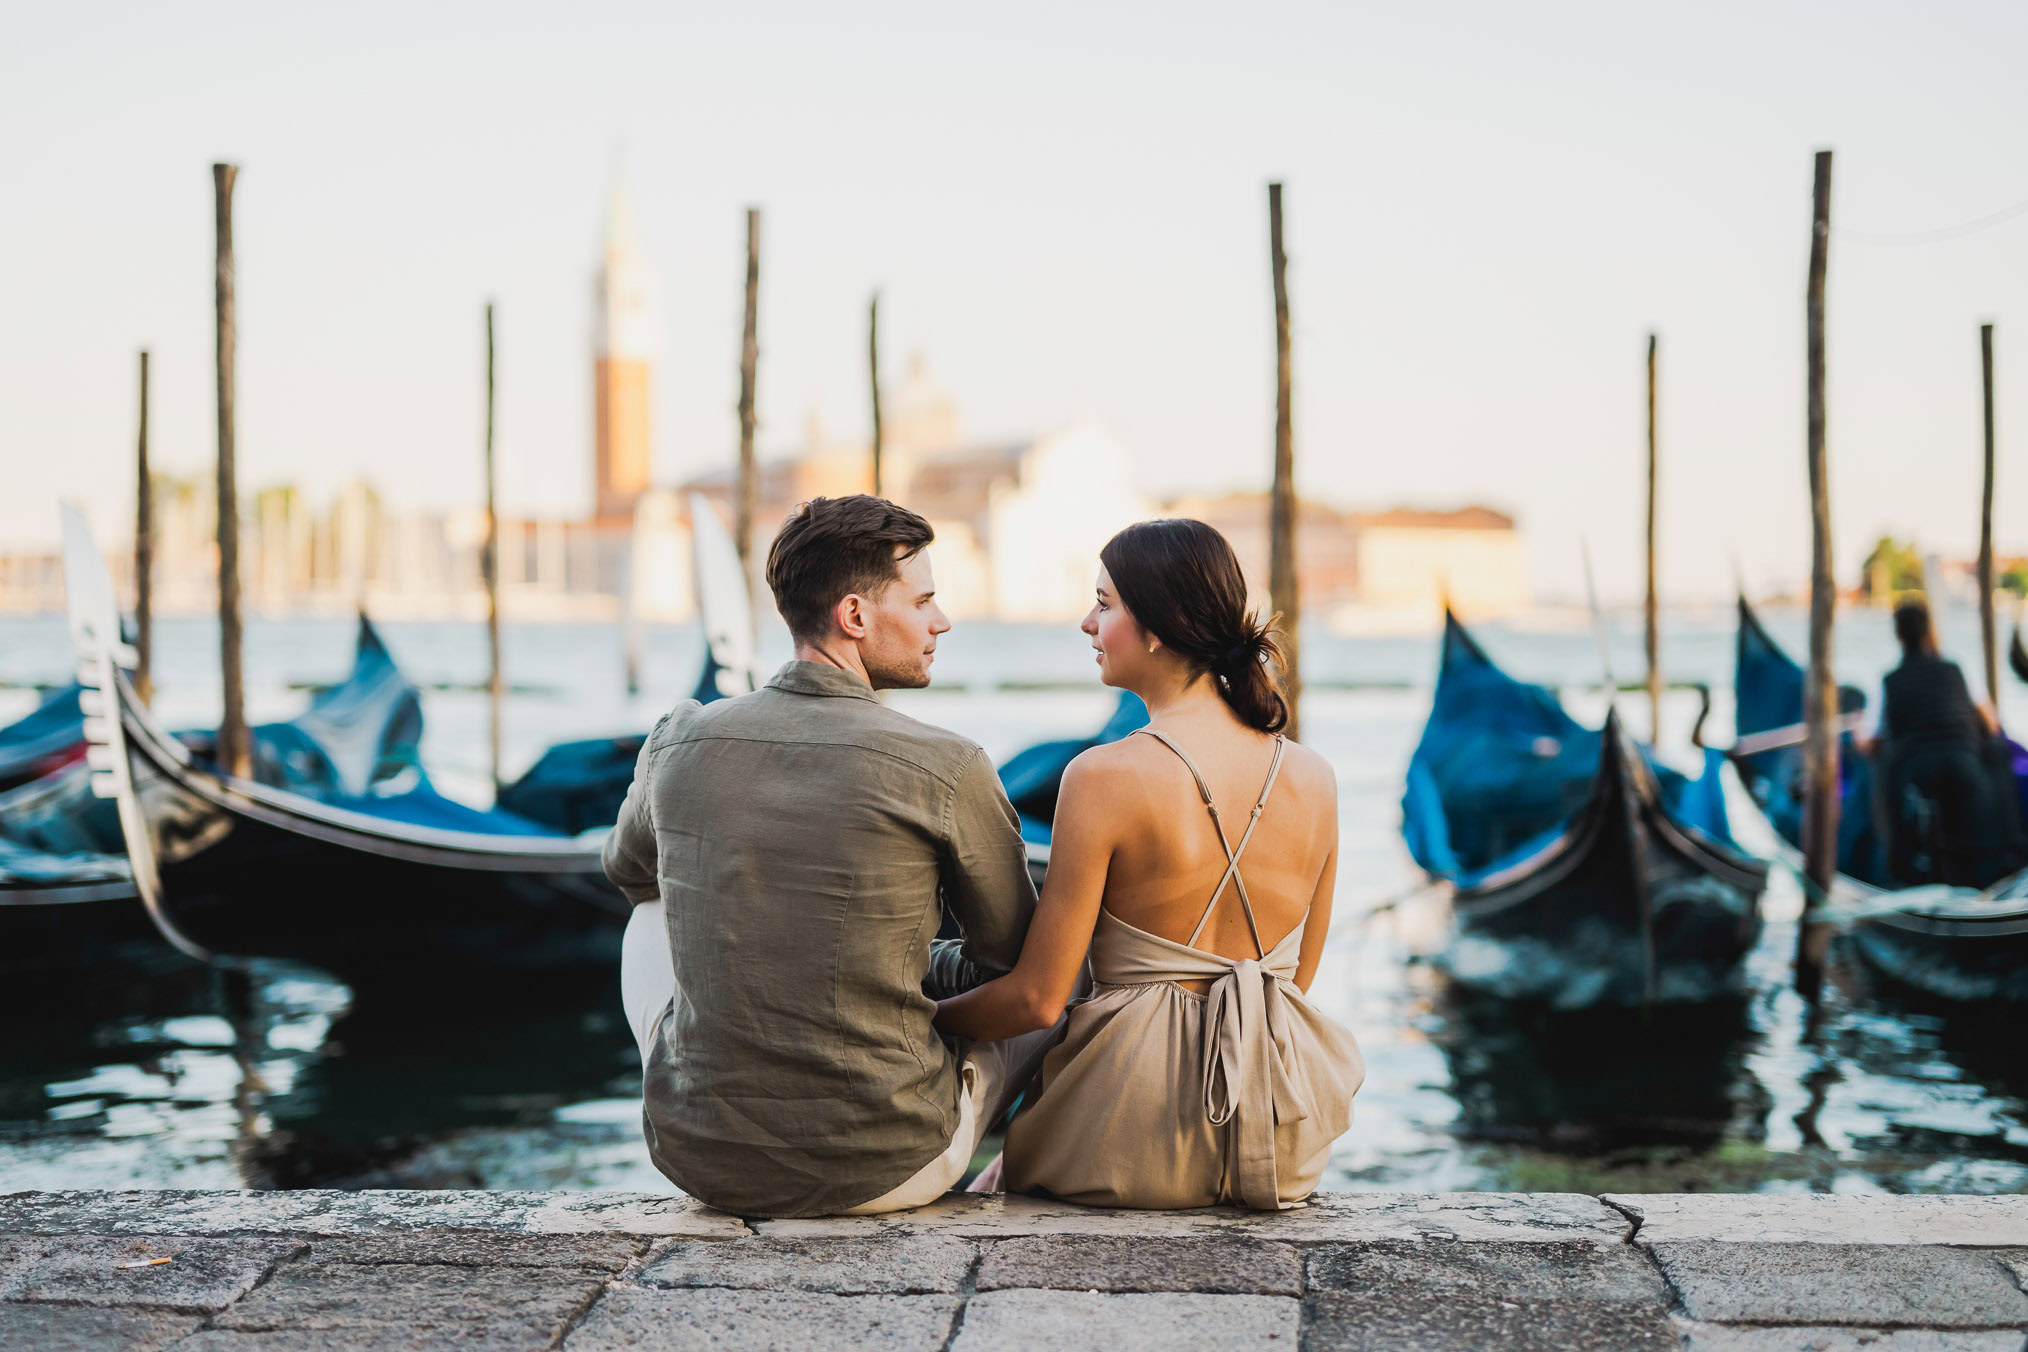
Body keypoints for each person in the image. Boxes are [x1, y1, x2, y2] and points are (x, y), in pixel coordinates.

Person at [602, 495, 1060, 1218]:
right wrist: (898, 986)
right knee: (1063, 973)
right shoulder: (949, 764)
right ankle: (1031, 1173)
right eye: (925, 600)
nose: (941, 621)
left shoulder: (679, 737)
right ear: (855, 616)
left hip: (697, 1159)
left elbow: (628, 870)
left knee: (652, 906)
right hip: (892, 1167)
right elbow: (1012, 969)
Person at [936, 518, 1364, 1210]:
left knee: (992, 1120)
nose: (1086, 622)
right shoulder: (1315, 776)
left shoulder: (1102, 775)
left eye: (1103, 604)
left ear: (1158, 628)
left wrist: (912, 1018)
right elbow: (1295, 983)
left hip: (1125, 1132)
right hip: (1274, 1139)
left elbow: (1037, 1000)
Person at [1871, 599, 2027, 887]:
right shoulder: (1954, 669)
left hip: (1918, 769)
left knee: (1888, 772)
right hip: (1964, 763)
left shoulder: (1890, 680)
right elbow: (1990, 723)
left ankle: (1899, 866)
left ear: (1898, 634)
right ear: (1929, 631)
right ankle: (1999, 869)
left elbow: (1876, 741)